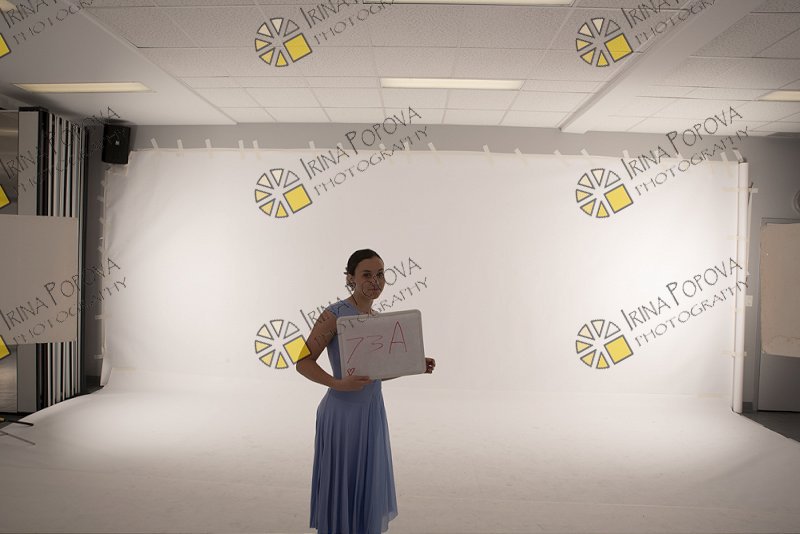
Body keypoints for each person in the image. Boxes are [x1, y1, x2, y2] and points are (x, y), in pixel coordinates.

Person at [296, 248, 436, 534]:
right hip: (342, 416)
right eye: (367, 275)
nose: (376, 281)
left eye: (381, 274)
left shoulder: (377, 318)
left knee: (367, 486)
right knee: (345, 484)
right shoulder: (333, 315)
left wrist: (415, 364)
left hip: (372, 413)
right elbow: (302, 362)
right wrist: (337, 383)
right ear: (350, 278)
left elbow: (375, 373)